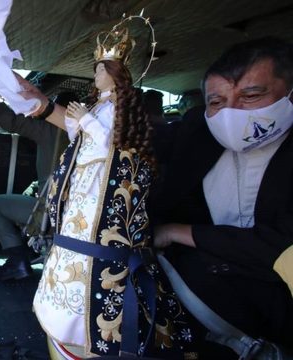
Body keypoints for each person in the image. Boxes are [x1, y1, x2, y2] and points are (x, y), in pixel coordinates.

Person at [19, 31, 198, 358]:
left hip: (105, 190)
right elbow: (85, 142)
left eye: (102, 70)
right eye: (97, 69)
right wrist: (75, 121)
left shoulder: (123, 108)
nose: (96, 75)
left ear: (116, 75)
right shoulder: (100, 105)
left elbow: (114, 146)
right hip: (85, 184)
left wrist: (84, 119)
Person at [154, 36, 293, 357]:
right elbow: (127, 136)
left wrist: (178, 231)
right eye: (216, 102)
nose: (230, 113)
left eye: (251, 95)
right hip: (214, 280)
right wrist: (45, 107)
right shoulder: (196, 131)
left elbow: (283, 244)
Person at [0, 91, 78, 281]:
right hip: (82, 215)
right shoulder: (93, 133)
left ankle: (17, 261)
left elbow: (11, 121)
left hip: (51, 214)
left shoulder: (51, 129)